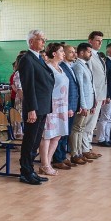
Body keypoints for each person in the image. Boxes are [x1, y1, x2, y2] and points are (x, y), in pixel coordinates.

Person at [17, 30, 54, 185]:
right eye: (41, 40)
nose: (43, 42)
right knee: (30, 140)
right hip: (35, 106)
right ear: (31, 41)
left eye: (44, 39)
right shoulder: (27, 59)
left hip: (42, 105)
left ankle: (31, 169)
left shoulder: (38, 58)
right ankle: (25, 172)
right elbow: (29, 86)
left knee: (36, 139)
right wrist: (31, 108)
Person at [39, 43, 69, 176]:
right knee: (47, 136)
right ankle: (44, 164)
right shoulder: (47, 67)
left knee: (57, 135)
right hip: (51, 105)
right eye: (61, 51)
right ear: (54, 53)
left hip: (62, 106)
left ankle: (48, 162)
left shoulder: (61, 68)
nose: (64, 53)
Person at [52, 45, 79, 170]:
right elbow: (63, 90)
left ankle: (62, 156)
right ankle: (58, 158)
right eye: (70, 52)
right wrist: (68, 106)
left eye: (74, 52)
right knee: (61, 133)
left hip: (70, 105)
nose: (74, 54)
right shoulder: (61, 67)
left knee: (65, 133)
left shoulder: (69, 67)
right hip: (63, 105)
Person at [69, 44, 96, 165]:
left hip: (89, 102)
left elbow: (89, 85)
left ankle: (80, 152)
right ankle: (75, 153)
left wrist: (93, 101)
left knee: (82, 128)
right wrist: (83, 105)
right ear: (81, 53)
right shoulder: (78, 66)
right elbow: (80, 87)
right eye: (89, 52)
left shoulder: (84, 65)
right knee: (77, 128)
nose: (90, 54)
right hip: (83, 103)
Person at [83, 31, 107, 160]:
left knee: (92, 125)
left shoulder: (97, 56)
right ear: (90, 41)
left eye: (101, 41)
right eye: (97, 40)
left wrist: (103, 95)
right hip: (93, 95)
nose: (100, 43)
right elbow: (90, 78)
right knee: (88, 124)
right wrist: (94, 97)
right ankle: (84, 149)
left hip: (99, 95)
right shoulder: (89, 56)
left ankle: (88, 147)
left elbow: (102, 77)